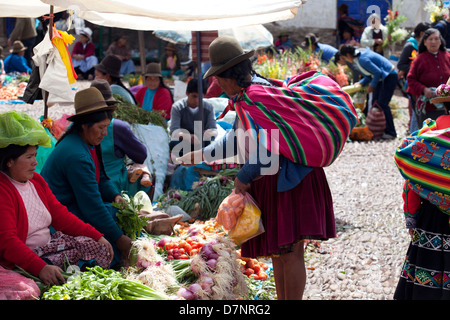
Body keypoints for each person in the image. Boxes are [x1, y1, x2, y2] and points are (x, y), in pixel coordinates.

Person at [176, 36, 357, 300]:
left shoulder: (257, 95)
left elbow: (270, 147)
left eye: (218, 77)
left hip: (290, 179)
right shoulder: (248, 96)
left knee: (291, 251)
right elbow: (238, 138)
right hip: (273, 178)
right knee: (280, 252)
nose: (218, 84)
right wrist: (201, 155)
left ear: (228, 75)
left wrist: (244, 175)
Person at [0, 110, 113, 285]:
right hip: (26, 257)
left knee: (98, 247)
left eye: (35, 156)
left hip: (49, 246)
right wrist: (40, 267)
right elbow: (8, 242)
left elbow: (60, 215)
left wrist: (97, 235)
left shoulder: (36, 181)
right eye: (29, 157)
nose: (35, 163)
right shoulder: (3, 189)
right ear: (9, 161)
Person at [40, 87, 132, 269]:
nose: (104, 133)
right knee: (110, 229)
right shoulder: (76, 155)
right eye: (101, 128)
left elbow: (102, 179)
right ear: (84, 125)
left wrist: (115, 196)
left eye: (106, 127)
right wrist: (120, 239)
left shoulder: (87, 142)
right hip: (60, 217)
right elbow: (92, 207)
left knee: (115, 212)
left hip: (77, 206)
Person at [393, 81, 450, 299]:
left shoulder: (427, 139)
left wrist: (412, 218)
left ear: (445, 106)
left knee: (425, 286)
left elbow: (413, 184)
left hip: (433, 221)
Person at [90, 79, 152, 196]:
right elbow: (141, 155)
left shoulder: (74, 126)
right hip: (111, 184)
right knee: (147, 179)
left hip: (86, 182)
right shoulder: (116, 126)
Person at [340, 44, 398, 139]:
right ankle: (376, 130)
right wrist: (361, 83)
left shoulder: (363, 59)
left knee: (383, 104)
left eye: (345, 58)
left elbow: (377, 72)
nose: (346, 60)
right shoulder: (359, 58)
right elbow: (368, 75)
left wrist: (372, 85)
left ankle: (391, 132)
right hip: (382, 78)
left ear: (348, 55)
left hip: (389, 76)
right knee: (375, 103)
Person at [406, 28, 450, 126]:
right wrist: (424, 89)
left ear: (441, 41)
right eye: (430, 39)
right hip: (428, 106)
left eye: (436, 39)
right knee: (431, 132)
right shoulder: (419, 60)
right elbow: (410, 79)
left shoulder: (447, 57)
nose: (433, 42)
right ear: (425, 42)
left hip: (447, 104)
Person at [397, 22, 431, 133]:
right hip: (412, 82)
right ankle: (414, 135)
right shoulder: (410, 46)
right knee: (415, 111)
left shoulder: (421, 45)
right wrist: (416, 67)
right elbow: (401, 65)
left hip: (422, 83)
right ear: (422, 33)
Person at [170, 78, 218, 155]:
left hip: (201, 141)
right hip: (184, 141)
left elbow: (213, 130)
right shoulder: (178, 107)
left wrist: (205, 134)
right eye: (194, 96)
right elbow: (174, 131)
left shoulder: (208, 108)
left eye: (200, 97)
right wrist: (188, 137)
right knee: (174, 143)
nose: (196, 100)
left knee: (211, 143)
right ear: (187, 93)